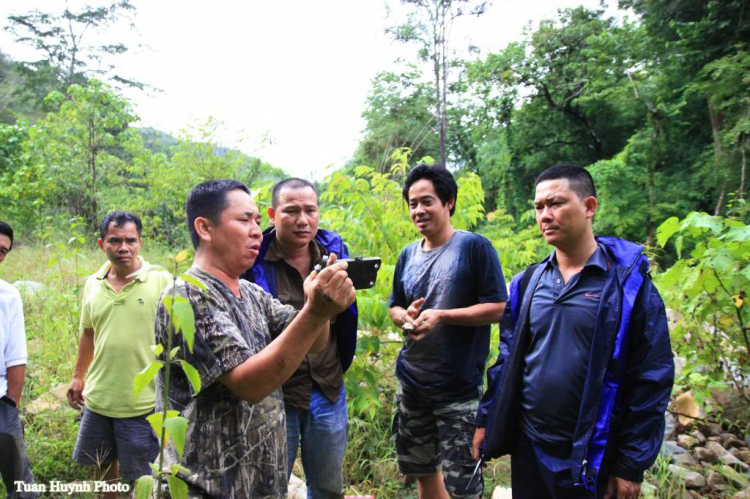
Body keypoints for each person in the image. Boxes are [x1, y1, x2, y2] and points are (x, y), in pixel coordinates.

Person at [472, 165, 674, 499]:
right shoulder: (528, 282)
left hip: (592, 453)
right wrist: (487, 420)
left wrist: (630, 464)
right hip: (530, 446)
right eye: (539, 207)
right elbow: (506, 360)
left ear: (589, 206)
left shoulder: (627, 286)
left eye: (556, 204)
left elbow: (651, 377)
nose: (545, 215)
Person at [155, 179, 355, 497]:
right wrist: (316, 312)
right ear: (205, 228)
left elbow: (314, 344)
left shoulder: (250, 293)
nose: (256, 232)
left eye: (258, 222)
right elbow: (251, 385)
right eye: (244, 220)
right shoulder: (187, 296)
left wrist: (322, 306)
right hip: (204, 487)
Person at [389, 164, 507, 499]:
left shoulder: (474, 248)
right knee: (423, 473)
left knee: (463, 486)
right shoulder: (408, 254)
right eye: (412, 203)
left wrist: (442, 315)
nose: (419, 210)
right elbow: (395, 305)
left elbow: (498, 307)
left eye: (427, 201)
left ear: (449, 202)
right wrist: (404, 317)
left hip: (457, 390)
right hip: (411, 383)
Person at [241, 178, 357, 498]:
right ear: (272, 214)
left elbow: (346, 318)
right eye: (291, 211)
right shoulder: (253, 260)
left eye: (310, 210)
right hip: (277, 392)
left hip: (327, 386)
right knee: (270, 485)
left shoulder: (334, 253)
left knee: (328, 485)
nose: (302, 220)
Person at [67, 211, 172, 495]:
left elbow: (178, 339)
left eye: (130, 240)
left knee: (143, 476)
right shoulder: (93, 283)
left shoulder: (161, 281)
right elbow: (88, 333)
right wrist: (78, 376)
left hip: (142, 401)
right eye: (115, 240)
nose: (123, 247)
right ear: (102, 244)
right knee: (102, 466)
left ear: (140, 242)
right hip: (99, 398)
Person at [0, 221, 38, 499]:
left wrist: (12, 405)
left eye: (2, 251)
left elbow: (16, 357)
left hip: (1, 403)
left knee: (22, 487)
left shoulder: (8, 296)